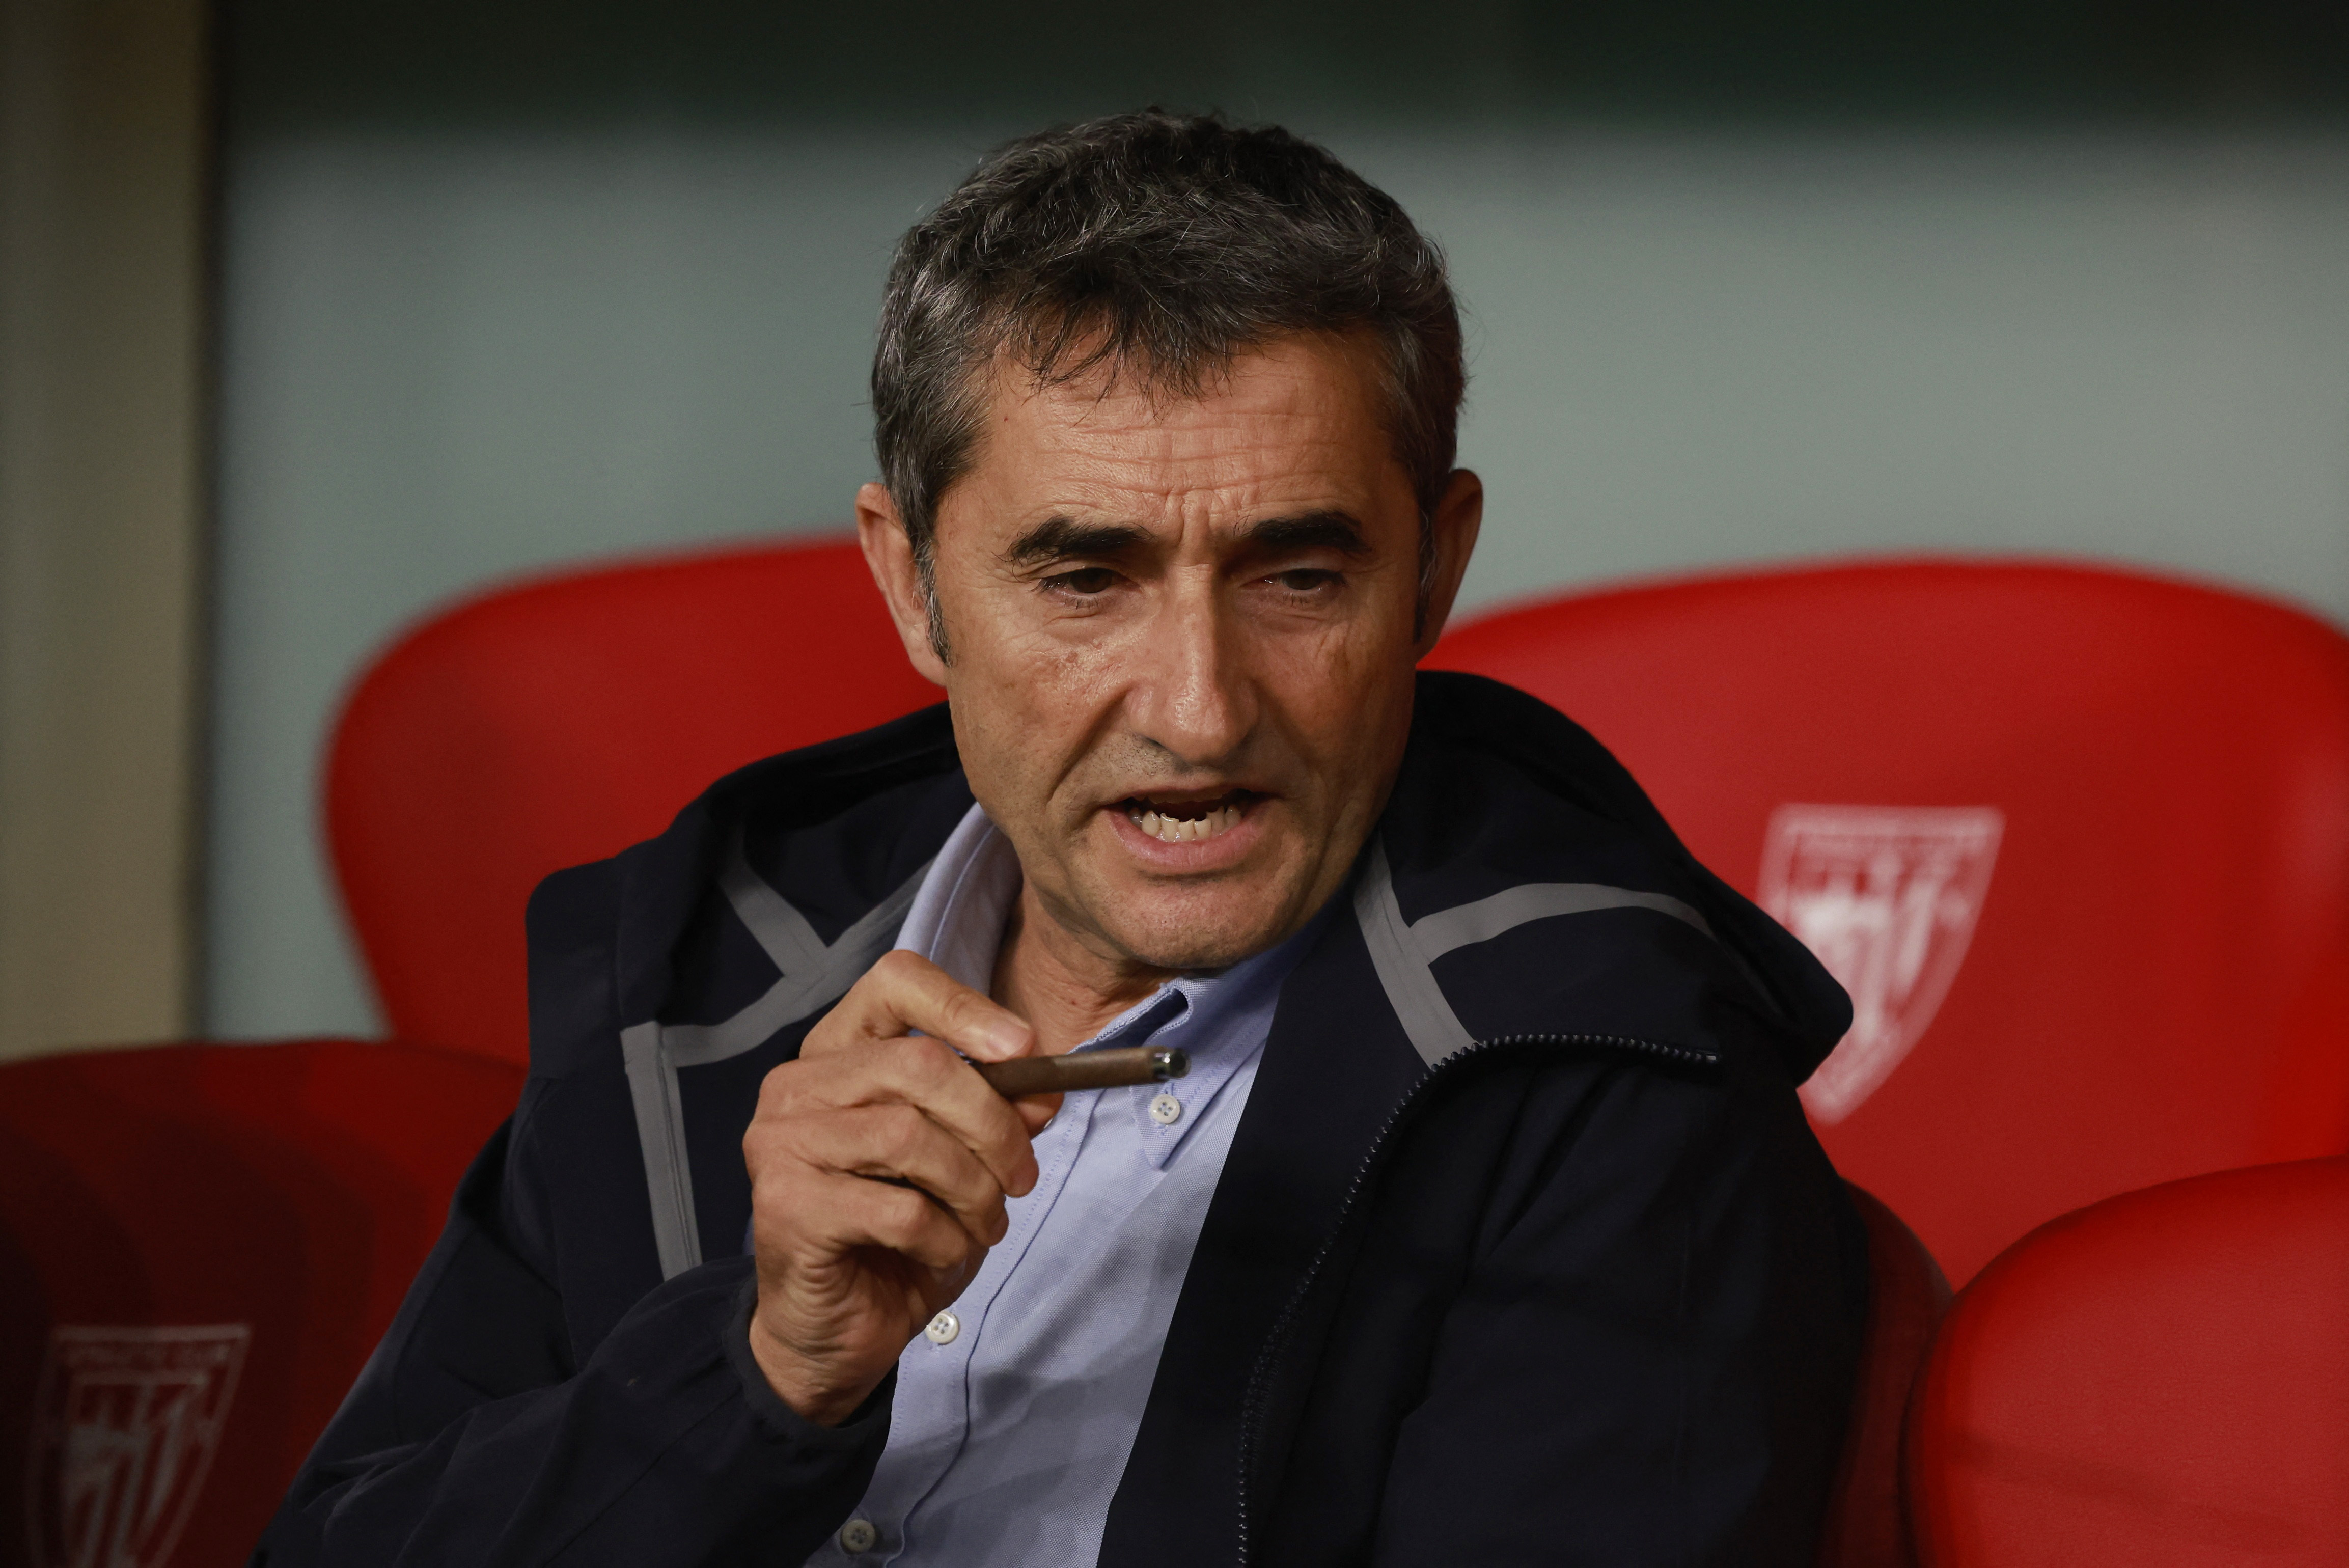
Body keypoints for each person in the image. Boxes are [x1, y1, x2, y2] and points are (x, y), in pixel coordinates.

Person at [257, 111, 1865, 1568]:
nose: (1200, 708)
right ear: (912, 586)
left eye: (1297, 577)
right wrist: (760, 1378)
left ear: (1435, 573)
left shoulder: (1609, 1070)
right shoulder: (694, 986)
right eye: (1084, 580)